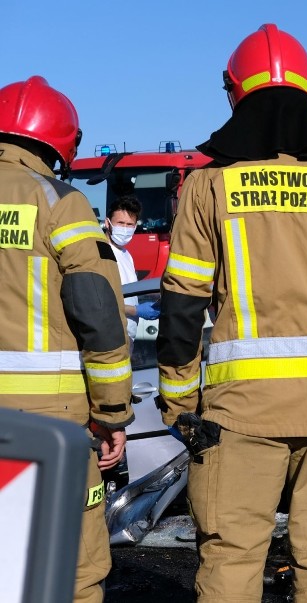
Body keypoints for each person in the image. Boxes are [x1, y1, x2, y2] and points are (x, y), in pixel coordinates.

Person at [155, 24, 307, 602]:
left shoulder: (210, 183)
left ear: (233, 91)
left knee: (233, 559)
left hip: (238, 415)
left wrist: (178, 403)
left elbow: (183, 305)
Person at [0, 76, 133, 603]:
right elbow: (99, 317)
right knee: (72, 567)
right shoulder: (60, 202)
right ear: (60, 144)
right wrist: (112, 415)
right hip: (49, 423)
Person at [104, 195, 159, 343]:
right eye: (120, 223)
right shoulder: (101, 253)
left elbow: (128, 292)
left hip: (128, 335)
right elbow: (100, 300)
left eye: (130, 225)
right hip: (111, 335)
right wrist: (137, 310)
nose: (125, 229)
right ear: (107, 223)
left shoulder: (126, 254)